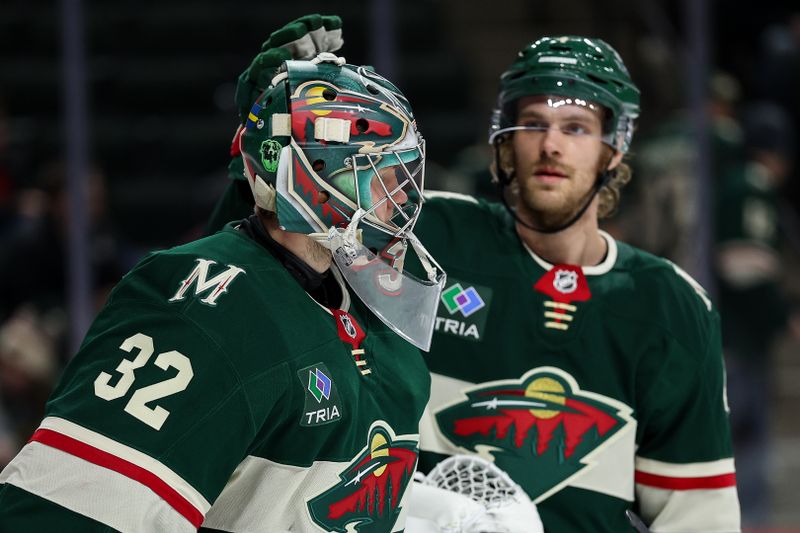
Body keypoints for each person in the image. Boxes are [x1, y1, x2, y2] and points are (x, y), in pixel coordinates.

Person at [205, 23, 741, 533]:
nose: (551, 144)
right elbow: (262, 274)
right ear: (504, 140)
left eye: (576, 127)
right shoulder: (420, 232)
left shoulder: (671, 305)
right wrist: (267, 151)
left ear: (614, 149)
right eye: (533, 122)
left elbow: (698, 514)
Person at [0, 42, 447, 532]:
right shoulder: (208, 310)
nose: (403, 194)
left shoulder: (353, 290)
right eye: (382, 171)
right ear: (312, 176)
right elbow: (67, 511)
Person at [715, 101, 797, 527]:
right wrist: (783, 315)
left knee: (740, 439)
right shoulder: (750, 187)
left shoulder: (732, 182)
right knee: (741, 439)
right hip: (738, 336)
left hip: (734, 335)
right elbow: (742, 265)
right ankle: (744, 522)